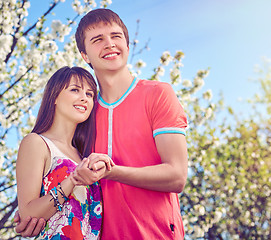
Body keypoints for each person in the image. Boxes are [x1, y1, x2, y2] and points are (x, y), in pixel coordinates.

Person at [15, 9, 188, 239]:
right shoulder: (84, 116)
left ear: (127, 45)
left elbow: (177, 176)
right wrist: (31, 215)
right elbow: (54, 174)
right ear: (85, 55)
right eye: (98, 39)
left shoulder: (158, 94)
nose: (109, 44)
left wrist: (112, 173)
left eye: (116, 36)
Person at [15, 66, 113, 239]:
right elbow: (28, 214)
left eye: (90, 94)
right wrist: (73, 180)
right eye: (75, 90)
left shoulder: (85, 155)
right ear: (54, 97)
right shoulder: (37, 143)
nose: (84, 98)